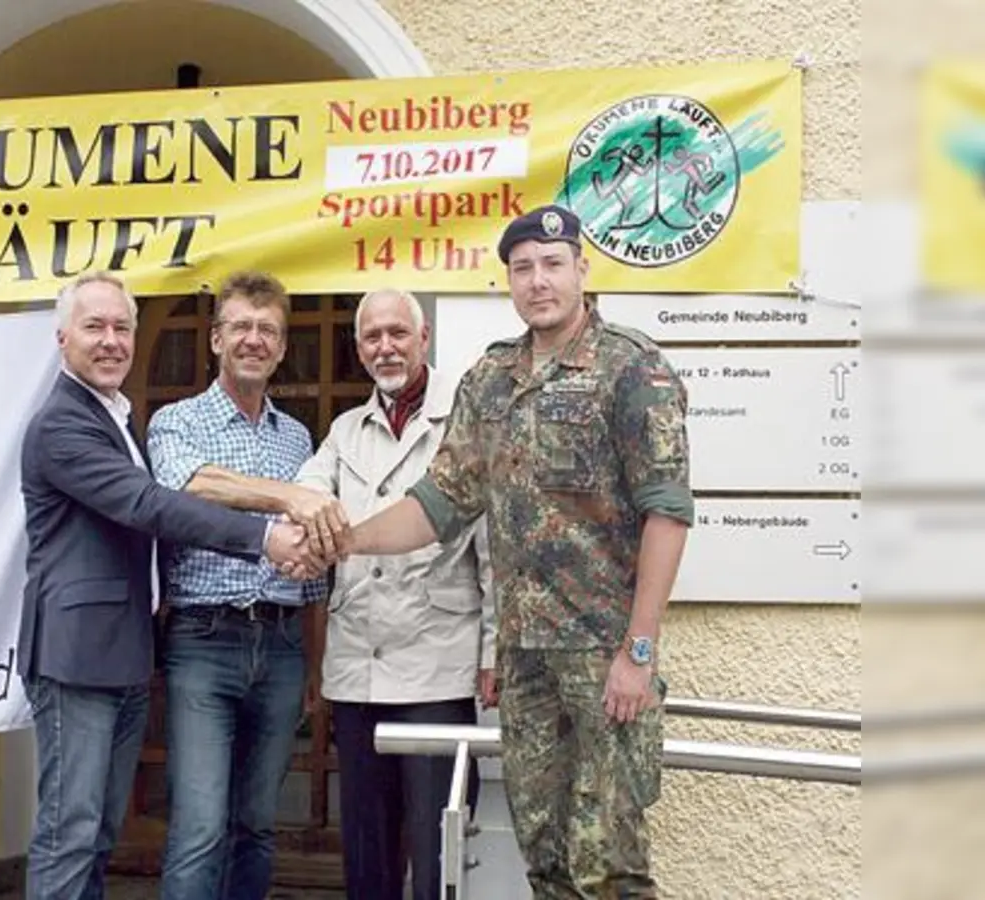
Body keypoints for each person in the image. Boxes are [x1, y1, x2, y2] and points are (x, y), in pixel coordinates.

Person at [341, 205, 694, 898]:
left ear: (582, 272)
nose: (539, 281)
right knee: (546, 857)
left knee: (609, 866)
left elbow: (668, 514)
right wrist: (346, 541)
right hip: (526, 663)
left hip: (604, 660)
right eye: (523, 268)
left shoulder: (632, 368)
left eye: (553, 265)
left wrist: (639, 653)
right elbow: (438, 506)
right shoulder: (490, 381)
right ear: (509, 280)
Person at [16, 270, 313, 900]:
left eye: (123, 327)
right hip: (79, 655)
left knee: (97, 831)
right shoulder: (63, 426)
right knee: (72, 831)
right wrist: (263, 534)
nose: (112, 341)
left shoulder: (114, 416)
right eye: (95, 327)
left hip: (123, 654)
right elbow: (150, 504)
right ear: (62, 335)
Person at [291, 287, 496, 900]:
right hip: (358, 665)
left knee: (439, 849)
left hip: (437, 663)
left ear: (423, 338)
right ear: (359, 349)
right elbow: (307, 495)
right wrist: (303, 522)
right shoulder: (343, 430)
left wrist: (494, 651)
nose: (386, 347)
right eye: (373, 337)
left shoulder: (465, 422)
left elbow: (494, 549)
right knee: (367, 851)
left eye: (398, 334)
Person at [143, 271, 334, 900]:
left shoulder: (298, 438)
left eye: (268, 331)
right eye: (242, 327)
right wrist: (291, 497)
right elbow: (190, 486)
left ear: (281, 348)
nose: (254, 340)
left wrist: (313, 664)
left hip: (280, 648)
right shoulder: (179, 421)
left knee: (256, 825)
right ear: (217, 340)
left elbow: (310, 574)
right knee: (199, 825)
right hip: (204, 641)